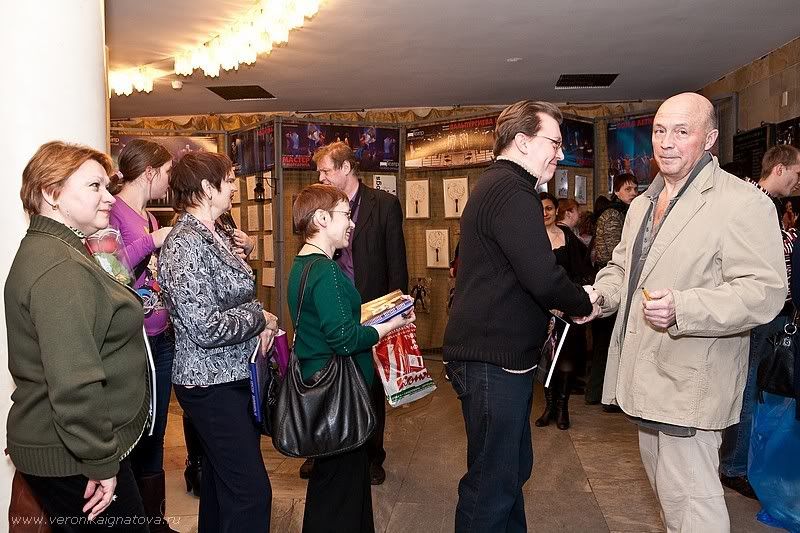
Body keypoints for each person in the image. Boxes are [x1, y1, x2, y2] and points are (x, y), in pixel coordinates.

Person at [583, 93, 787, 532]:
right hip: (645, 377)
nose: (667, 142)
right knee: (671, 500)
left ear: (710, 139)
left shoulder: (742, 203)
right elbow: (623, 269)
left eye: (682, 131)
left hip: (691, 384)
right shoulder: (641, 204)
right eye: (659, 131)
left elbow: (766, 292)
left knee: (693, 507)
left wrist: (684, 307)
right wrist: (600, 298)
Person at [443, 100, 594, 532]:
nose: (560, 154)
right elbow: (542, 277)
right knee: (492, 483)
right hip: (492, 359)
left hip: (498, 358)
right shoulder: (512, 192)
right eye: (554, 143)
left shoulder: (502, 187)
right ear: (523, 142)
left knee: (508, 474)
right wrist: (586, 303)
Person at [6, 141, 151, 529]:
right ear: (51, 193)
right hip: (76, 457)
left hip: (77, 450)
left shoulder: (57, 250)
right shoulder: (59, 267)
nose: (109, 198)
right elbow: (73, 383)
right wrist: (101, 461)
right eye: (95, 187)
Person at [158, 151, 278, 533]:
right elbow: (205, 326)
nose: (233, 189)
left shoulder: (217, 232)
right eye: (228, 181)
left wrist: (259, 318)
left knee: (220, 486)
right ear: (207, 189)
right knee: (250, 493)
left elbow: (235, 294)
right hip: (209, 384)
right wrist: (259, 318)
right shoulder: (184, 244)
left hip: (230, 376)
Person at [288, 183, 415, 533]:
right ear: (321, 218)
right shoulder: (326, 271)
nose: (352, 223)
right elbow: (344, 339)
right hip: (338, 396)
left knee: (336, 482)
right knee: (340, 488)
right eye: (345, 215)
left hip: (322, 388)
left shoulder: (303, 266)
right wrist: (389, 325)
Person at [299, 141, 408, 485]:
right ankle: (321, 451)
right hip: (330, 306)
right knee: (326, 382)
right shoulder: (321, 208)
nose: (321, 177)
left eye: (326, 170)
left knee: (370, 386)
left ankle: (372, 456)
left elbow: (396, 260)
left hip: (372, 309)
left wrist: (398, 308)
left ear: (346, 168)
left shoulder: (385, 205)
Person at [719, 144, 800, 498]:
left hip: (764, 313)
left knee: (751, 389)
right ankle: (735, 466)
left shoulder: (766, 203)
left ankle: (737, 461)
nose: (798, 182)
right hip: (756, 313)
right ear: (779, 169)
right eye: (796, 173)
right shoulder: (757, 203)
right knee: (747, 389)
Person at [110, 139, 178, 532]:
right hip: (137, 338)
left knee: (156, 428)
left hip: (160, 330)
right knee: (138, 428)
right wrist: (152, 242)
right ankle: (137, 517)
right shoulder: (114, 211)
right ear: (149, 172)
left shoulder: (149, 216)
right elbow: (112, 266)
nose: (169, 180)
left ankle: (154, 518)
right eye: (166, 172)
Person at [535, 192, 594, 430]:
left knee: (565, 362)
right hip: (541, 311)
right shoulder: (531, 239)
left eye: (549, 208)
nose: (545, 213)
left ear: (555, 210)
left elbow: (580, 274)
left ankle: (563, 408)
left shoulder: (568, 238)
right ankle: (548, 407)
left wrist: (566, 303)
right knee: (547, 362)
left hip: (567, 313)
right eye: (541, 209)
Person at [585, 173, 638, 407]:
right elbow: (614, 255)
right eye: (628, 189)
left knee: (605, 344)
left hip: (610, 282)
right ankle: (601, 395)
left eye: (635, 188)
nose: (633, 193)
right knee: (605, 344)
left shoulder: (624, 212)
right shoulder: (614, 215)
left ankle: (600, 394)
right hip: (611, 283)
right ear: (616, 192)